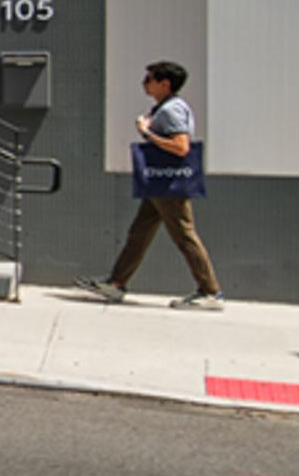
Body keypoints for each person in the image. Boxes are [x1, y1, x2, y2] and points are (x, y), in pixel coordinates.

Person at [82, 58, 223, 308]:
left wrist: (146, 133)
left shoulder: (171, 110)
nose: (144, 83)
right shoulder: (167, 107)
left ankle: (210, 292)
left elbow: (181, 146)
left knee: (184, 236)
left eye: (149, 79)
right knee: (140, 232)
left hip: (168, 184)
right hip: (160, 183)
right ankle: (116, 283)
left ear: (164, 83)